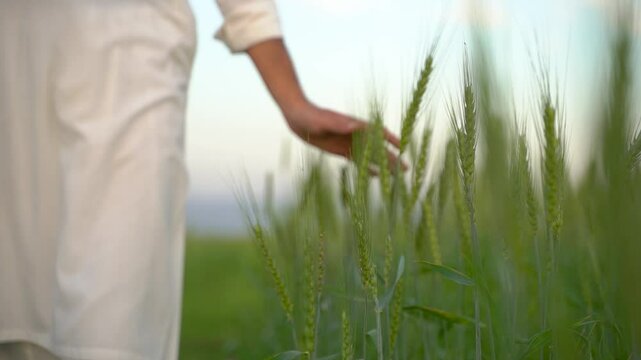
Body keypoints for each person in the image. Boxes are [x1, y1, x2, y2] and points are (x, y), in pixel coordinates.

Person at [0, 0, 400, 359]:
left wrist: (292, 100)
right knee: (20, 322)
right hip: (14, 58)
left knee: (109, 328)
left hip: (133, 53)